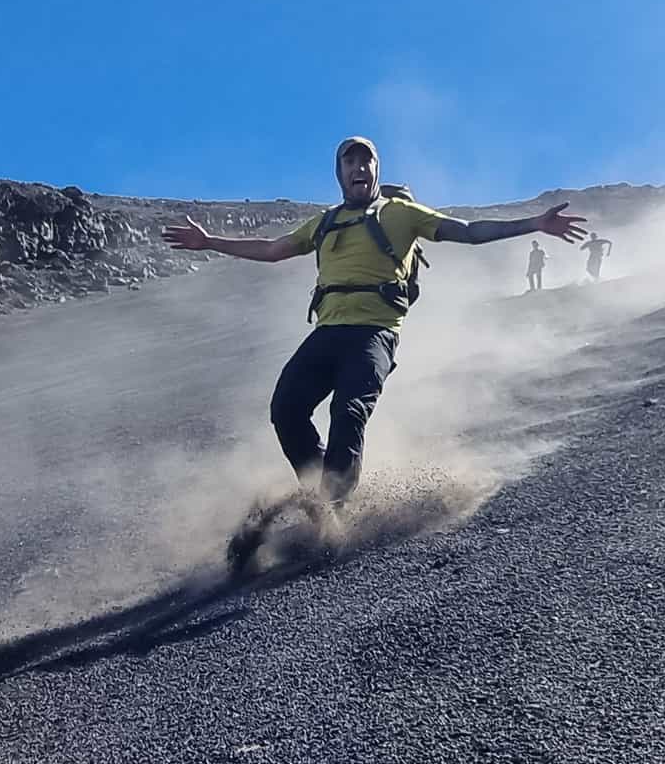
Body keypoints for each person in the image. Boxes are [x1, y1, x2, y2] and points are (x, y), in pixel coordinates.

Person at [163, 137, 587, 504]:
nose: (358, 167)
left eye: (365, 161)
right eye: (349, 161)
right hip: (327, 332)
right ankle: (318, 495)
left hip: (374, 334)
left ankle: (333, 506)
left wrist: (535, 223)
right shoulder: (325, 222)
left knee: (348, 411)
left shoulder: (402, 213)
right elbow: (273, 250)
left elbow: (470, 231)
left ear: (376, 170)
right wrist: (209, 242)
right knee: (285, 409)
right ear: (339, 174)